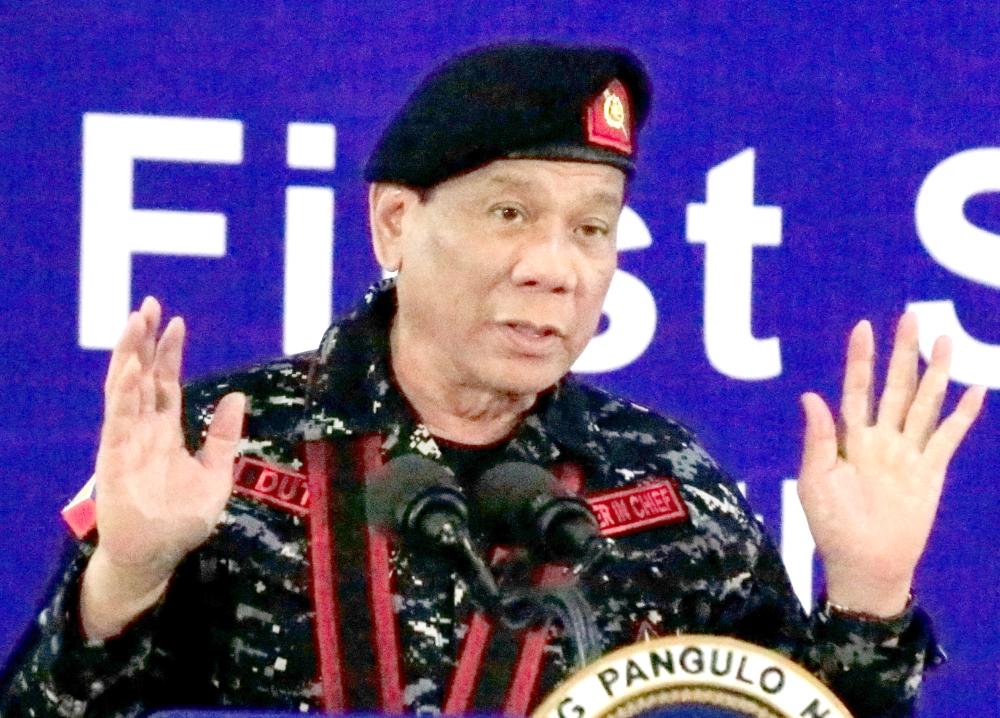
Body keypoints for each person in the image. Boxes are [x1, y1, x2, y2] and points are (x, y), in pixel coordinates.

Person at [0, 42, 985, 718]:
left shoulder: (667, 480)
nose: (556, 265)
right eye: (510, 214)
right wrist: (123, 579)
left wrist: (866, 591)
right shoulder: (224, 445)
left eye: (591, 227)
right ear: (394, 222)